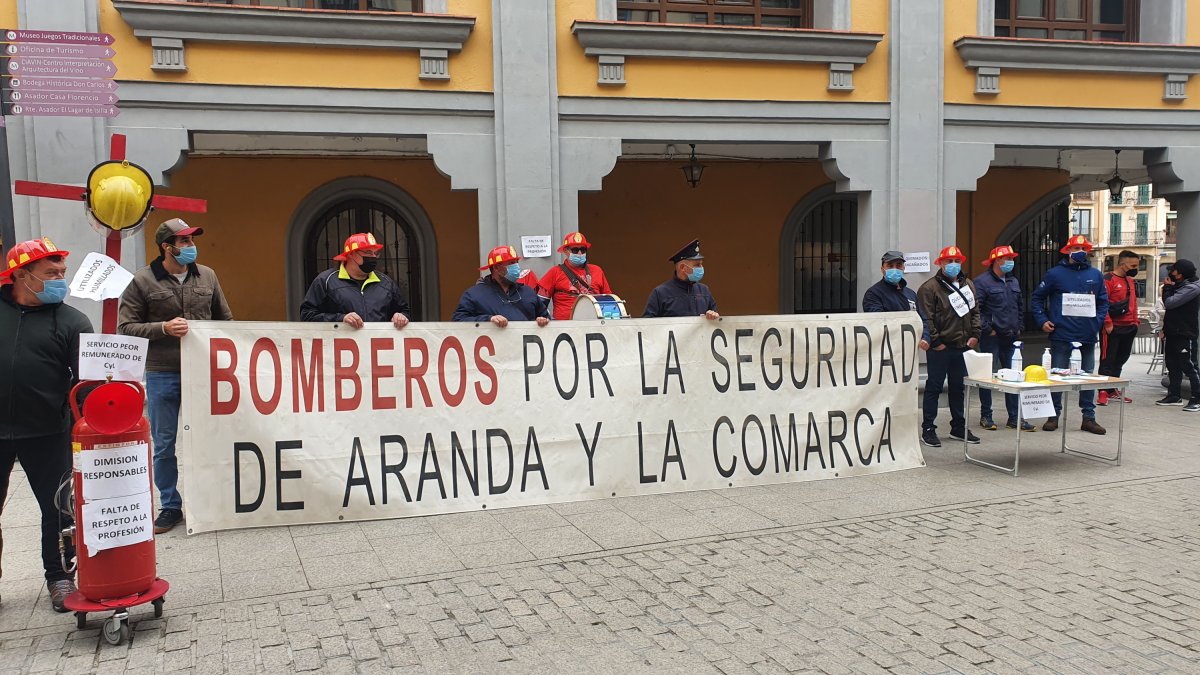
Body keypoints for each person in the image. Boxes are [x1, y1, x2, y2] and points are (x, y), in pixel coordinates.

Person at [119, 219, 234, 534]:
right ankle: (170, 505)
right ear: (166, 247)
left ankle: (212, 499)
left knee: (211, 438)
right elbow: (125, 327)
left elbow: (225, 319)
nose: (190, 247)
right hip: (163, 372)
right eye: (182, 242)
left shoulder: (207, 275)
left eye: (191, 241)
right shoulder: (142, 281)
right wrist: (163, 328)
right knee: (164, 442)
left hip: (204, 372)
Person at [0, 238, 93, 611]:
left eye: (62, 272)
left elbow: (87, 381)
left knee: (57, 509)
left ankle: (59, 578)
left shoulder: (72, 320)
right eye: (51, 273)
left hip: (49, 432)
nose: (61, 279)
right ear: (22, 275)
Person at [1030, 234, 1109, 435]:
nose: (1080, 252)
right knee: (1057, 376)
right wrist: (1042, 320)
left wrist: (1097, 322)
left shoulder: (1096, 275)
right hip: (1062, 334)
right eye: (1076, 249)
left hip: (1088, 335)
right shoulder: (1055, 274)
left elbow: (1103, 301)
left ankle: (1089, 417)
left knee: (1088, 377)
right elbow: (1037, 298)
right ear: (1068, 251)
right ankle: (1053, 416)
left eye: (1083, 249)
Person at [916, 246, 981, 448]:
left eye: (957, 261)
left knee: (958, 388)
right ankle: (928, 428)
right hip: (940, 349)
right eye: (948, 261)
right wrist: (936, 342)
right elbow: (926, 317)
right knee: (934, 388)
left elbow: (975, 311)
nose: (953, 265)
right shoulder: (929, 288)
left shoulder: (968, 284)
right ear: (940, 264)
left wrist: (975, 335)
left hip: (962, 346)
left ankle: (958, 427)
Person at [973, 245, 1034, 432]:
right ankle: (986, 416)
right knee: (988, 378)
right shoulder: (982, 282)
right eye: (1007, 258)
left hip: (1011, 337)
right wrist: (987, 329)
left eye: (1011, 258)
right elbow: (976, 310)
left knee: (1014, 377)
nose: (1010, 262)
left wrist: (1020, 326)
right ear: (996, 260)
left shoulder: (1013, 281)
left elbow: (1019, 306)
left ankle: (1014, 418)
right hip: (992, 337)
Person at [301, 232, 412, 329]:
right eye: (368, 253)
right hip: (340, 350)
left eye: (375, 253)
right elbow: (307, 315)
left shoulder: (386, 283)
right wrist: (341, 319)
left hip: (377, 350)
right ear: (351, 255)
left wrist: (401, 316)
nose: (373, 257)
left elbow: (405, 311)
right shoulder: (325, 281)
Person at [453, 245, 551, 327]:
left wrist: (542, 321)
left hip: (526, 348)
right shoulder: (474, 295)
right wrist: (488, 319)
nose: (516, 267)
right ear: (496, 268)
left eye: (516, 262)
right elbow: (458, 320)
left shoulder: (528, 292)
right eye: (511, 263)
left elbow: (547, 318)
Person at [1156, 259, 1200, 411]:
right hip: (1173, 332)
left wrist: (1167, 287)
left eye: (1173, 271)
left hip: (1185, 333)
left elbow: (1170, 303)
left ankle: (1197, 398)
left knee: (1189, 366)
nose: (1170, 273)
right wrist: (1164, 329)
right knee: (1172, 364)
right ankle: (1174, 395)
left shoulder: (1192, 288)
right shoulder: (1180, 286)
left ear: (1180, 274)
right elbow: (1172, 312)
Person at [537, 232, 613, 320]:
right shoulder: (555, 272)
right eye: (575, 250)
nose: (580, 253)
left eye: (583, 249)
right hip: (564, 328)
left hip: (594, 325)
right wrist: (545, 319)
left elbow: (609, 301)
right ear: (566, 251)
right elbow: (540, 304)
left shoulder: (597, 271)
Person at [1098, 250, 1141, 406]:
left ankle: (1112, 389)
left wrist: (1135, 321)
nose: (1136, 268)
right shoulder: (1108, 279)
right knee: (1107, 359)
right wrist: (1107, 323)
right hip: (1113, 327)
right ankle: (1102, 391)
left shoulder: (1130, 281)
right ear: (1123, 265)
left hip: (1129, 326)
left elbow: (1133, 302)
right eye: (1133, 265)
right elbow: (1102, 302)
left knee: (1121, 359)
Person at [643, 239, 719, 319]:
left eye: (701, 264)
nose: (701, 268)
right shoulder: (660, 293)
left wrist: (713, 316)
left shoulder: (704, 291)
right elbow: (647, 326)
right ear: (683, 268)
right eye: (697, 265)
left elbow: (716, 321)